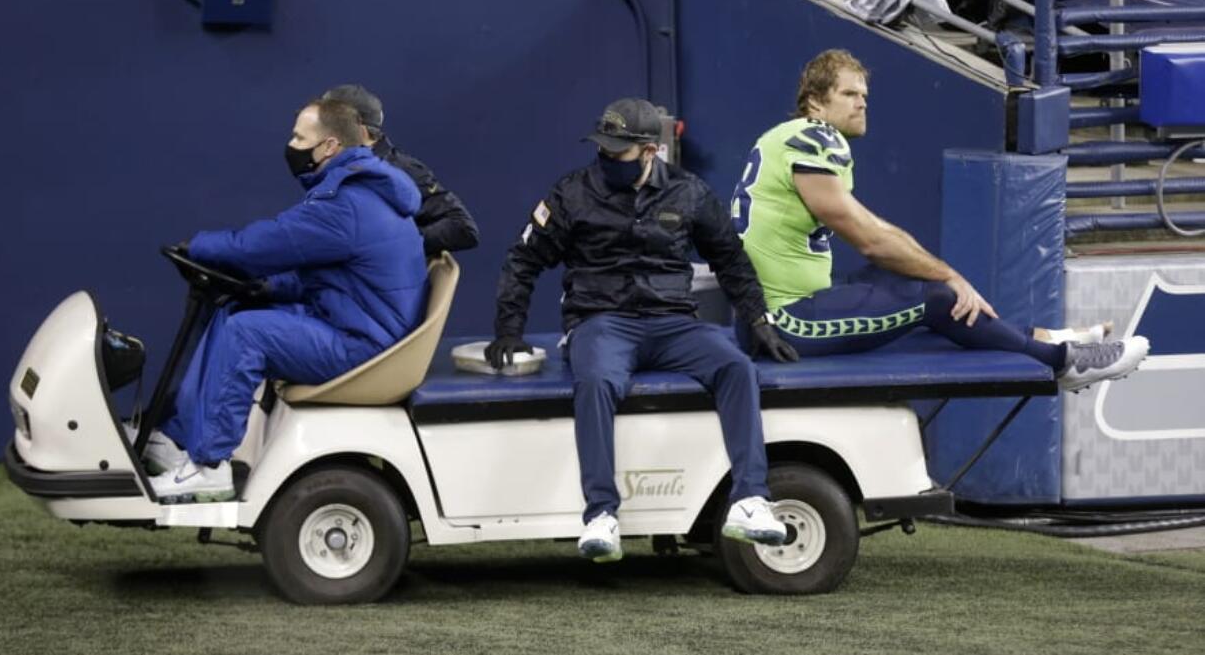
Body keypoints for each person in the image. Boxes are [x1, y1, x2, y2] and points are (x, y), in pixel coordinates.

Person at [485, 98, 800, 563]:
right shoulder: (571, 193)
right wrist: (508, 330)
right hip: (601, 322)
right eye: (603, 149)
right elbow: (523, 259)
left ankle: (749, 500)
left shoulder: (688, 192)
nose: (608, 158)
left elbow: (730, 259)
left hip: (674, 322)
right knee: (595, 382)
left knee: (737, 366)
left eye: (619, 152)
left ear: (650, 151)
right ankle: (601, 514)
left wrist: (758, 319)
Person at [731, 48, 1148, 389]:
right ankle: (1060, 363)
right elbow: (869, 239)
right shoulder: (815, 137)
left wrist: (940, 273)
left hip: (774, 311)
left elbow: (876, 229)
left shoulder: (787, 138)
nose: (862, 103)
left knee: (905, 284)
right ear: (816, 102)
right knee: (936, 298)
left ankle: (1039, 335)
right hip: (783, 323)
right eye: (849, 94)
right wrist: (949, 276)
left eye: (865, 95)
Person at [144, 97, 429, 502]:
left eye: (300, 137)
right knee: (237, 309)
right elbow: (335, 278)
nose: (291, 144)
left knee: (247, 333)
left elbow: (259, 246)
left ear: (329, 146)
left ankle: (209, 466)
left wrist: (199, 246)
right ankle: (180, 439)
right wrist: (270, 289)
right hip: (358, 325)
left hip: (364, 346)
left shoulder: (344, 205)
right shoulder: (361, 189)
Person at [322, 84, 479, 257]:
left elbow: (462, 227)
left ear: (360, 129)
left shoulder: (401, 171)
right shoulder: (330, 167)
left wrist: (393, 245)